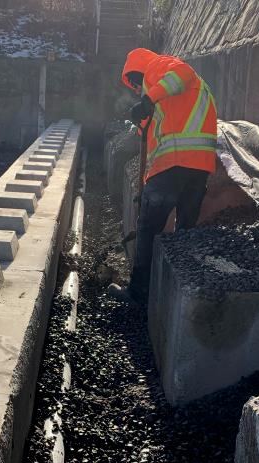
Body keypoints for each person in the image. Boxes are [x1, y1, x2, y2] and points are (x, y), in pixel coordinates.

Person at [108, 48, 218, 305]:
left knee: (148, 229)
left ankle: (137, 293)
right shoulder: (178, 96)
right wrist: (142, 120)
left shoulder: (158, 67)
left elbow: (182, 72)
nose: (138, 90)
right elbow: (153, 133)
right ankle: (177, 295)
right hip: (199, 166)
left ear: (138, 71)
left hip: (173, 165)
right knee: (184, 232)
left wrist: (148, 99)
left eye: (136, 84)